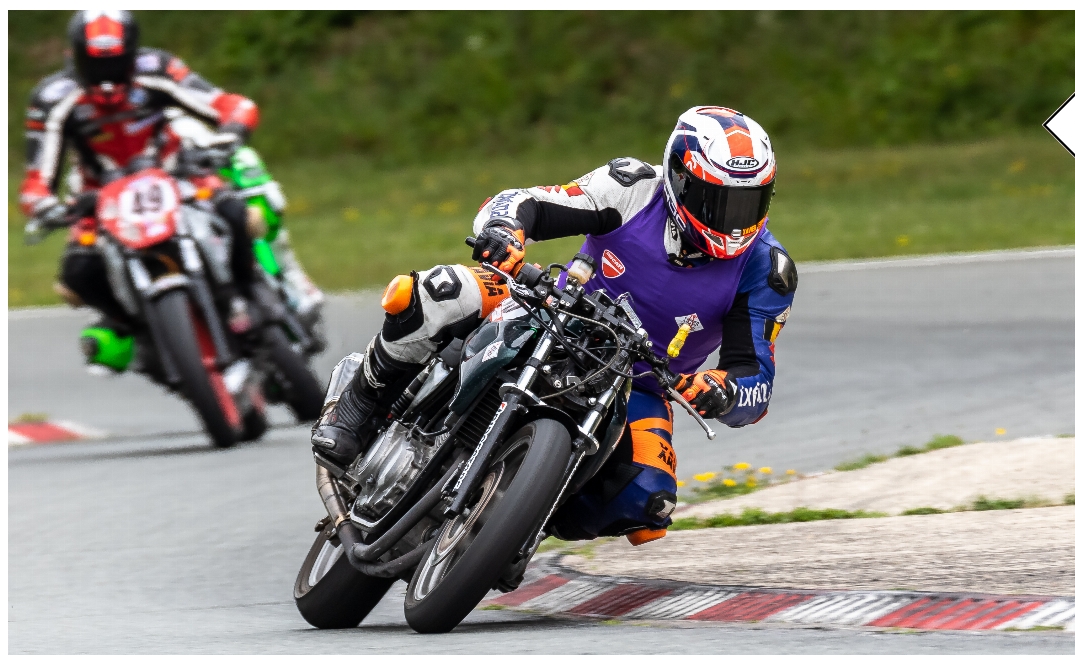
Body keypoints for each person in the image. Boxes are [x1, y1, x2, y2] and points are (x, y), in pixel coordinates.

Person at [313, 105, 797, 548]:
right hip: (551, 309)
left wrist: (723, 391)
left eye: (749, 203)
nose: (734, 222)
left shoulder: (767, 269)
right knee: (437, 290)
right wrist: (504, 231)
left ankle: (511, 522)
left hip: (640, 382)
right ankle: (356, 406)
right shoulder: (632, 187)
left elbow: (755, 379)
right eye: (719, 202)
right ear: (680, 178)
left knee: (648, 502)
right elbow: (525, 201)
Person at [20, 9, 322, 371]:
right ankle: (139, 331)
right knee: (77, 275)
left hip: (176, 174)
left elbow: (225, 103)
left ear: (132, 54)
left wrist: (232, 130)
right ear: (76, 57)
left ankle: (248, 293)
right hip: (101, 199)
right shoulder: (53, 97)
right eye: (96, 65)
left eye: (115, 64)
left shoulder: (156, 68)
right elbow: (37, 175)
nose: (106, 77)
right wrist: (43, 204)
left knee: (237, 214)